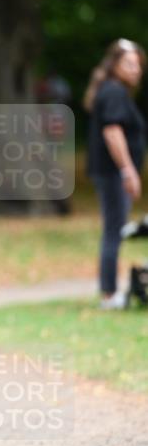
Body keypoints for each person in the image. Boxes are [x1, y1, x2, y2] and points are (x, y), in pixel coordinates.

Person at [84, 38, 146, 309]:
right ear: (115, 65)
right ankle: (108, 295)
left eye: (139, 65)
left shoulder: (112, 91)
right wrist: (127, 170)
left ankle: (109, 292)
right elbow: (112, 132)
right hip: (112, 174)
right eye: (129, 64)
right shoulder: (114, 92)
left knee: (115, 229)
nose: (136, 70)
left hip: (112, 173)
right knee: (114, 231)